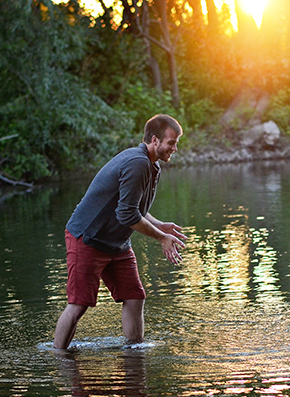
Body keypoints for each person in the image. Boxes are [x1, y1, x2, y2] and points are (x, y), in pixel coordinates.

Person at [53, 114, 188, 350]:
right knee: (79, 304)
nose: (175, 148)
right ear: (155, 140)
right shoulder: (137, 163)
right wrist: (160, 237)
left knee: (135, 297)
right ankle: (58, 358)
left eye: (176, 143)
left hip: (117, 243)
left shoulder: (152, 164)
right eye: (172, 142)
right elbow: (126, 215)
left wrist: (160, 225)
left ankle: (134, 354)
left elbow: (132, 208)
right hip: (88, 238)